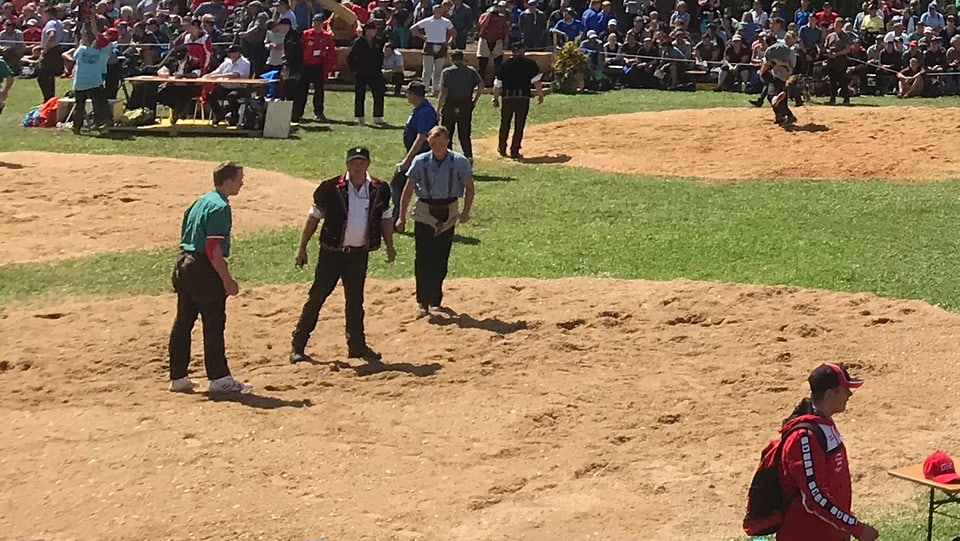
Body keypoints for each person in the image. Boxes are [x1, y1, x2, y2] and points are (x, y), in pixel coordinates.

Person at [290, 146, 396, 364]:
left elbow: (385, 218)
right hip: (331, 254)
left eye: (361, 162)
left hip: (358, 254)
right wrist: (302, 248)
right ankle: (298, 344)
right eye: (353, 162)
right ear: (347, 164)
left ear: (368, 164)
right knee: (317, 297)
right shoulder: (330, 188)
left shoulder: (379, 189)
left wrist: (389, 244)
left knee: (355, 301)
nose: (357, 166)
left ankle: (356, 345)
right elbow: (313, 218)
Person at [169, 162, 253, 395]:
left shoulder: (201, 201)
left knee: (183, 321)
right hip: (203, 268)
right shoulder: (220, 207)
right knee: (214, 323)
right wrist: (226, 279)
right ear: (228, 181)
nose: (242, 183)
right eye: (239, 178)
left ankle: (178, 376)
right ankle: (219, 378)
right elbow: (213, 247)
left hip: (183, 263)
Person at [774, 363, 879, 541]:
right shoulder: (804, 437)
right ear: (830, 394)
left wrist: (844, 524)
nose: (849, 395)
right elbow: (815, 497)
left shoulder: (824, 426)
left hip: (829, 533)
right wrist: (856, 528)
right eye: (844, 390)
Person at [395, 126, 474, 317]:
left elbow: (469, 187)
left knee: (441, 258)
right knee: (422, 257)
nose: (438, 147)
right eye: (434, 143)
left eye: (441, 143)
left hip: (448, 210)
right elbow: (408, 189)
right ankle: (422, 300)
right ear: (429, 143)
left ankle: (435, 299)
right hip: (424, 211)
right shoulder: (420, 161)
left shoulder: (459, 161)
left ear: (447, 142)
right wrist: (401, 216)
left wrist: (465, 212)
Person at [492, 42, 544, 159]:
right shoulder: (530, 64)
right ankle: (514, 150)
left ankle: (502, 147)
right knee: (519, 125)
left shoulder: (504, 65)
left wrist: (495, 98)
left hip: (508, 98)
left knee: (505, 123)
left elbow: (497, 85)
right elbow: (536, 81)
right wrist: (540, 94)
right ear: (523, 51)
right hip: (523, 97)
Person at [395, 80, 437, 214]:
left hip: (422, 157)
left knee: (399, 185)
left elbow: (421, 137)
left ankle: (397, 217)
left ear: (413, 94)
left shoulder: (425, 112)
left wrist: (407, 160)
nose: (406, 95)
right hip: (415, 155)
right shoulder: (419, 109)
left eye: (407, 93)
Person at [438, 49, 483, 162]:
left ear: (451, 59)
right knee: (464, 134)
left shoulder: (447, 72)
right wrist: (474, 99)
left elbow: (443, 92)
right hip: (465, 104)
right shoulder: (471, 71)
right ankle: (468, 157)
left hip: (450, 104)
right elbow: (481, 86)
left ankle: (447, 158)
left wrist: (439, 108)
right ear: (462, 58)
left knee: (447, 133)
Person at [67, 31, 113, 134]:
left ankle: (76, 127)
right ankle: (101, 125)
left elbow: (75, 54)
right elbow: (103, 71)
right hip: (94, 82)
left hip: (79, 82)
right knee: (100, 105)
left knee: (79, 105)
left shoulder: (82, 50)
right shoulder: (103, 55)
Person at [347, 20, 387, 126]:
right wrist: (354, 69)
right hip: (360, 72)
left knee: (378, 94)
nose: (373, 32)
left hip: (374, 72)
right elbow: (350, 56)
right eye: (371, 30)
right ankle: (360, 117)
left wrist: (380, 67)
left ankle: (377, 116)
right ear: (367, 31)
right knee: (360, 95)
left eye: (374, 30)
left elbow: (380, 55)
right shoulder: (359, 41)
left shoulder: (378, 41)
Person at [297, 13, 336, 122]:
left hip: (319, 66)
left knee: (319, 90)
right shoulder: (306, 34)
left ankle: (319, 113)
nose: (316, 25)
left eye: (319, 23)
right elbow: (301, 49)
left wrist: (326, 55)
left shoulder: (326, 36)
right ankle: (299, 113)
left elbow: (331, 51)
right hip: (306, 65)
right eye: (314, 22)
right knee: (302, 90)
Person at [411, 3, 454, 95]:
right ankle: (424, 89)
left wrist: (449, 42)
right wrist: (423, 37)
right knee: (427, 70)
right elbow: (413, 29)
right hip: (429, 45)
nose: (438, 12)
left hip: (441, 45)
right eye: (436, 10)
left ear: (442, 11)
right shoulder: (427, 21)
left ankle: (436, 89)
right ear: (433, 11)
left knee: (438, 70)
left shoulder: (446, 21)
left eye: (440, 10)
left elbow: (453, 32)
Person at [206, 44, 252, 126]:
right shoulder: (226, 62)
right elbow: (217, 71)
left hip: (239, 88)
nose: (230, 54)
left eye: (232, 52)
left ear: (238, 53)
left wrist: (217, 77)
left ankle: (234, 117)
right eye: (229, 53)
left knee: (232, 96)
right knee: (210, 95)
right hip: (225, 87)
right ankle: (220, 114)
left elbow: (235, 75)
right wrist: (208, 76)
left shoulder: (245, 63)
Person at [762, 32, 798, 126]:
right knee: (780, 98)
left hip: (778, 74)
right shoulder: (786, 48)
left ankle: (785, 115)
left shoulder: (772, 50)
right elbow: (791, 64)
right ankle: (780, 116)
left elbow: (768, 63)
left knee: (773, 96)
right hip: (784, 75)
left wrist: (763, 72)